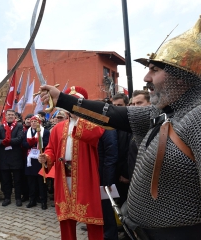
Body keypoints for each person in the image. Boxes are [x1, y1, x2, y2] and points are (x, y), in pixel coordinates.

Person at [39, 16, 201, 239]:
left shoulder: (198, 118)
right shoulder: (162, 112)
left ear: (182, 76)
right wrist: (63, 100)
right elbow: (113, 115)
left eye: (154, 70)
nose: (146, 77)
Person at [38, 86, 105, 240]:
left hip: (85, 176)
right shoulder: (58, 128)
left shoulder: (91, 123)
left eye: (76, 103)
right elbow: (51, 149)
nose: (72, 108)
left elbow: (94, 134)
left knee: (92, 217)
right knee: (66, 218)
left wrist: (80, 116)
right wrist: (46, 158)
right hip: (63, 175)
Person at [0, 109, 24, 207]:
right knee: (5, 180)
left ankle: (18, 198)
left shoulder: (19, 126)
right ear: (5, 116)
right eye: (9, 115)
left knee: (17, 180)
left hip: (16, 157)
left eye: (12, 115)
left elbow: (20, 139)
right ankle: (7, 198)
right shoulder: (0, 127)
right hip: (4, 157)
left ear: (15, 116)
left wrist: (8, 141)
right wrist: (2, 142)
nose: (10, 116)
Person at [22, 115, 49, 210]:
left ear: (39, 123)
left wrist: (37, 142)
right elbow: (24, 144)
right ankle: (32, 200)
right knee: (31, 182)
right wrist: (31, 143)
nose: (33, 123)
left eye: (35, 121)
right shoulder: (26, 132)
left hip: (40, 159)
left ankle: (43, 201)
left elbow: (46, 143)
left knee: (41, 182)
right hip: (30, 160)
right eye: (32, 121)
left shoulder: (45, 132)